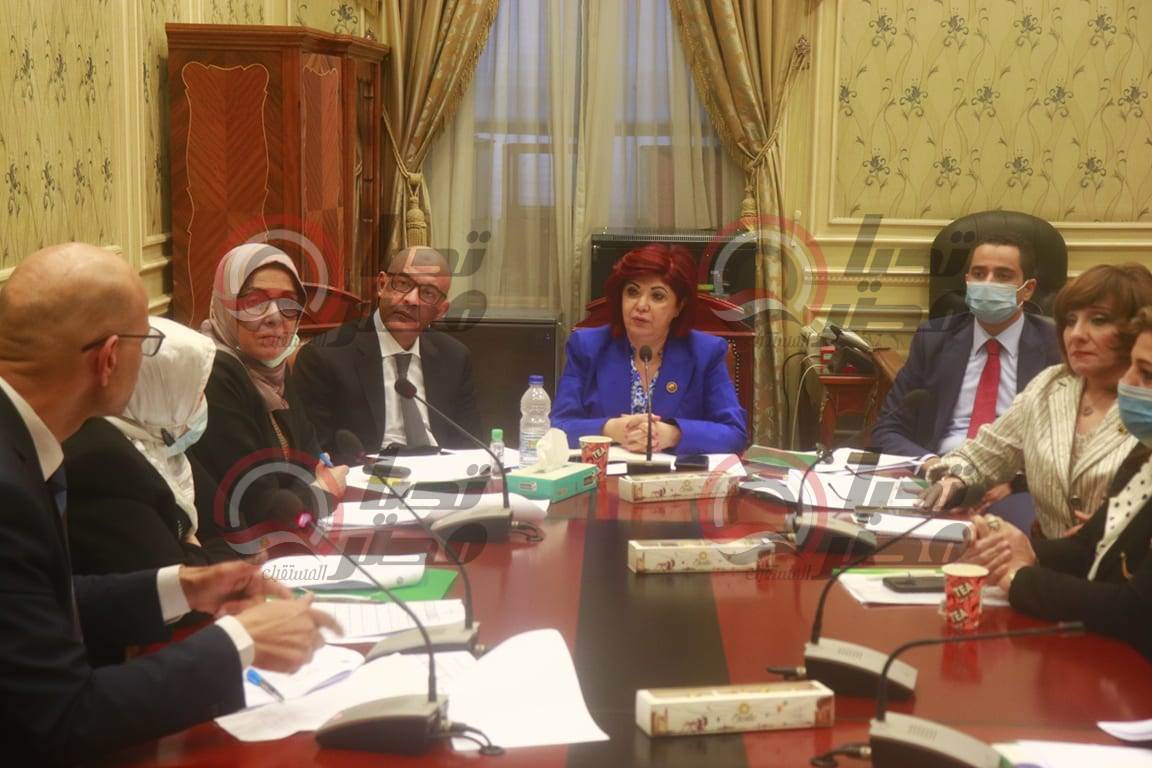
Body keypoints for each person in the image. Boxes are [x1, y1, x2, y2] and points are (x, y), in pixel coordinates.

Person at [0, 243, 339, 763]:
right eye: (146, 341)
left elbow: (37, 601)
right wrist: (238, 641)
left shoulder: (23, 437)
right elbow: (60, 718)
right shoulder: (8, 485)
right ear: (110, 358)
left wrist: (182, 587)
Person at [961, 305, 1152, 659]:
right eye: (1132, 367)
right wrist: (1022, 549)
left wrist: (1020, 578)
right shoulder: (1144, 455)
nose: (1127, 383)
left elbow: (1136, 611)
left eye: (1147, 374)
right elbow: (1090, 546)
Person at [922, 263, 1152, 538]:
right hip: (1041, 557)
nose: (1076, 334)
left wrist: (1128, 534)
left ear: (1137, 330)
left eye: (1099, 320)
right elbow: (983, 456)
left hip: (1122, 562)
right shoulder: (1050, 385)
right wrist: (955, 479)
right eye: (1070, 321)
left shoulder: (1143, 407)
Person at [872, 234, 1061, 513]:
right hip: (936, 473)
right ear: (967, 281)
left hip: (1011, 485)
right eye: (979, 273)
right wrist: (932, 465)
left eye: (1003, 275)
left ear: (1028, 289)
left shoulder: (1057, 345)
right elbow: (888, 429)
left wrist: (1019, 482)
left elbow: (1067, 441)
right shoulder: (933, 339)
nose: (988, 283)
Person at [190, 243, 347, 547]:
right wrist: (321, 493)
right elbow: (262, 505)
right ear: (224, 304)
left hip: (281, 544)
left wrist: (305, 490)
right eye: (254, 301)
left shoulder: (272, 368)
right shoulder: (214, 372)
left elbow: (309, 460)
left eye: (289, 303)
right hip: (235, 555)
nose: (275, 317)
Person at [63, 316, 236, 575]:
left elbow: (231, 530)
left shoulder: (162, 444)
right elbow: (175, 579)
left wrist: (194, 549)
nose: (202, 403)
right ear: (157, 391)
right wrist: (196, 550)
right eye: (197, 393)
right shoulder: (105, 464)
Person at [550, 243, 747, 455]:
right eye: (632, 292)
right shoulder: (588, 347)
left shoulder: (705, 353)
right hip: (605, 472)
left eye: (657, 296)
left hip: (677, 474)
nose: (641, 305)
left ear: (679, 306)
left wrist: (673, 434)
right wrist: (610, 429)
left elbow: (734, 433)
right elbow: (558, 426)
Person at [292, 246, 479, 457]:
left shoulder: (454, 358)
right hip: (368, 473)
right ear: (382, 285)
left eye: (428, 293)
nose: (411, 299)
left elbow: (470, 448)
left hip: (441, 471)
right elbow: (317, 454)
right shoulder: (324, 356)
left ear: (441, 310)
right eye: (403, 284)